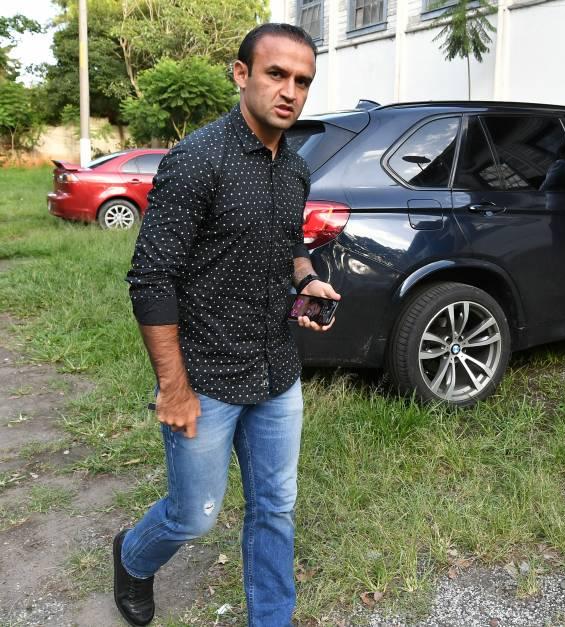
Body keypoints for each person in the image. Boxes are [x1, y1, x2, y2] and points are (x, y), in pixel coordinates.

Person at [114, 23, 338, 627]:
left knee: (276, 507)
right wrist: (173, 387)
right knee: (195, 515)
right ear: (241, 74)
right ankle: (133, 558)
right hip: (206, 378)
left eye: (302, 81)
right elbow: (151, 279)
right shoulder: (197, 160)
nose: (289, 91)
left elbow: (288, 244)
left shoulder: (294, 168)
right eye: (276, 74)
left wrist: (305, 281)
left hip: (276, 372)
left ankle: (272, 618)